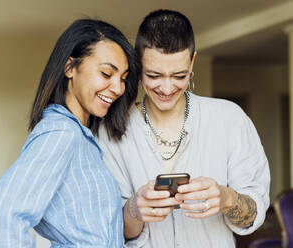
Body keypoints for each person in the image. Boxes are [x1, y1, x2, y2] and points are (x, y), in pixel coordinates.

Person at [97, 9, 270, 248]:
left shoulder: (230, 119)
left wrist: (227, 198)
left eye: (179, 75)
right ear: (137, 62)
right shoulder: (111, 131)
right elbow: (110, 230)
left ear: (192, 61)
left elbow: (254, 215)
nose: (166, 88)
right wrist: (134, 209)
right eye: (154, 75)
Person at [0, 19, 139, 247]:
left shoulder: (81, 138)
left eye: (123, 78)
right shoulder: (61, 133)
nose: (119, 88)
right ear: (70, 68)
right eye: (106, 73)